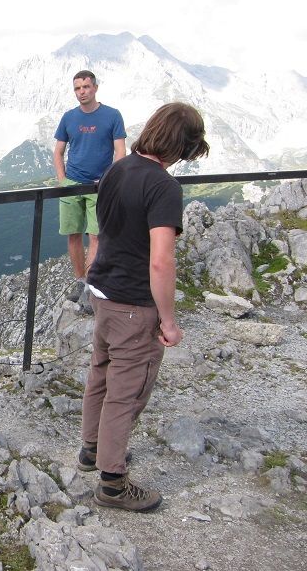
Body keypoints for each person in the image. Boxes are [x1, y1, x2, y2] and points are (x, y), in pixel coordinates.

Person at [78, 102, 209, 511]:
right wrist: (168, 321)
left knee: (100, 374)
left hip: (102, 291)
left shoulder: (117, 168)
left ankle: (92, 449)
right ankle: (113, 482)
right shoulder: (163, 186)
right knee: (127, 391)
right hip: (135, 303)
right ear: (183, 146)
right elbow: (161, 260)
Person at [53, 70, 126, 305]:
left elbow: (121, 152)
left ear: (95, 88)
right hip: (72, 183)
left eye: (85, 87)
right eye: (77, 88)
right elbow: (58, 151)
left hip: (99, 186)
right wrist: (62, 179)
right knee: (73, 234)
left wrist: (109, 179)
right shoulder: (68, 117)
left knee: (95, 235)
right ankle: (80, 281)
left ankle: (90, 285)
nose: (81, 92)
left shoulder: (112, 115)